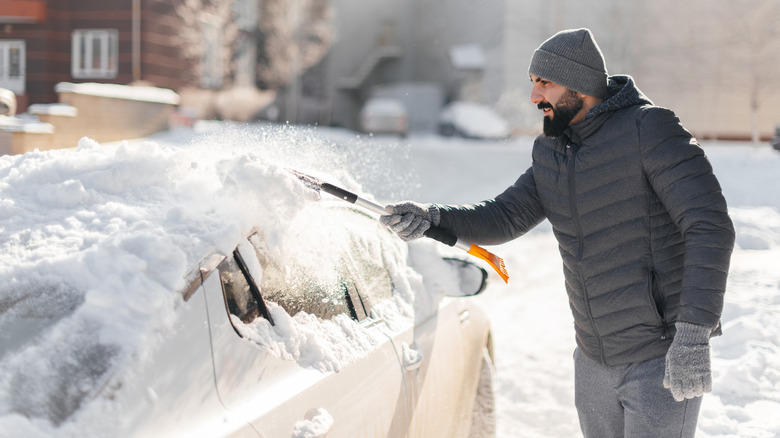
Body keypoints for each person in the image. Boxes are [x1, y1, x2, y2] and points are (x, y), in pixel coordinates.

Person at [380, 28, 735, 438]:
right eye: (533, 83)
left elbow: (709, 226)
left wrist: (693, 334)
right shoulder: (552, 150)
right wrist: (433, 218)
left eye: (544, 83)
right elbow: (506, 215)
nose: (534, 97)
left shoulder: (649, 129)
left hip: (659, 357)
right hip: (592, 360)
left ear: (581, 85)